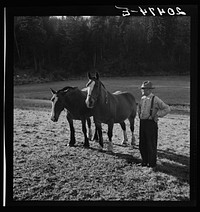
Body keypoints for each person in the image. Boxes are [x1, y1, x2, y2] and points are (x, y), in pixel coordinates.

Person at [138, 81, 171, 171]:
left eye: (143, 89)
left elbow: (167, 108)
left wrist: (157, 115)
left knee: (150, 144)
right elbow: (140, 108)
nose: (142, 90)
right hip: (142, 123)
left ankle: (152, 164)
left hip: (151, 123)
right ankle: (144, 161)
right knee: (142, 143)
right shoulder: (142, 98)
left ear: (148, 90)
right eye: (142, 89)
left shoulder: (155, 99)